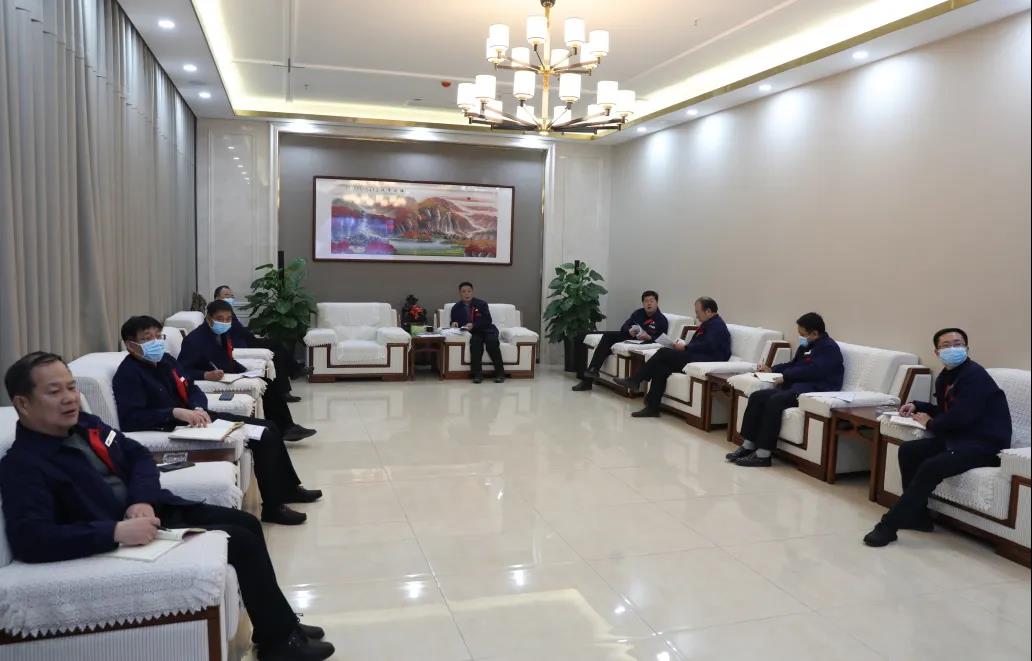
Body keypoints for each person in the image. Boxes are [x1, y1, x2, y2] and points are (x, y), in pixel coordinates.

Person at [0, 352, 334, 661]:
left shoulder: (86, 425)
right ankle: (279, 643)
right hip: (124, 537)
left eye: (71, 387)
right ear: (23, 404)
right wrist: (114, 531)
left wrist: (142, 498)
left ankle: (277, 625)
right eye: (54, 392)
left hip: (153, 508)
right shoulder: (23, 464)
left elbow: (137, 455)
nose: (69, 398)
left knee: (246, 523)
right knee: (241, 541)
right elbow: (32, 539)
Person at [113, 315, 320, 525]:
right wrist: (174, 413)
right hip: (176, 428)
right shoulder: (128, 374)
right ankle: (273, 508)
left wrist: (197, 406)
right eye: (147, 338)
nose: (156, 342)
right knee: (264, 436)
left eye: (158, 336)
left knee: (270, 427)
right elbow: (131, 419)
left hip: (200, 418)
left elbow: (192, 387)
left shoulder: (166, 361)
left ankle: (289, 489)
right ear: (131, 345)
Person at [863, 328, 1012, 547]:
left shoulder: (975, 376)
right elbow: (947, 410)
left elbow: (962, 416)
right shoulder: (946, 376)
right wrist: (918, 406)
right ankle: (918, 517)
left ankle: (888, 526)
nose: (952, 348)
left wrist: (930, 423)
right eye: (946, 345)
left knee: (932, 466)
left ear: (967, 348)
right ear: (936, 352)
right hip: (960, 438)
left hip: (985, 444)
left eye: (957, 344)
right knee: (909, 451)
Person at [178, 300, 316, 442]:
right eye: (220, 319)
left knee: (269, 382)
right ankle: (284, 428)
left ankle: (286, 427)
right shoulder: (194, 340)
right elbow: (182, 372)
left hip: (228, 375)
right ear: (209, 318)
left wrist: (246, 371)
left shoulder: (222, 333)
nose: (224, 322)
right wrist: (205, 375)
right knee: (268, 387)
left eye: (228, 319)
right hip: (211, 381)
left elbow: (228, 359)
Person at [726, 312, 844, 467]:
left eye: (803, 334)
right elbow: (793, 365)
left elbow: (814, 371)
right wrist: (772, 369)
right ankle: (748, 445)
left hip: (814, 391)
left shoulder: (829, 349)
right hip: (797, 387)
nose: (801, 338)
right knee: (757, 396)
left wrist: (786, 376)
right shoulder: (806, 346)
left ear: (815, 333)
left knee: (774, 401)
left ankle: (763, 454)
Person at [614, 297, 732, 417]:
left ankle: (635, 380)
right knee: (660, 367)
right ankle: (652, 407)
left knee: (663, 352)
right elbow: (700, 344)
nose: (696, 316)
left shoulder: (717, 325)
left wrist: (685, 347)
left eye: (698, 312)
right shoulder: (709, 323)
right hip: (696, 357)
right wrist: (683, 346)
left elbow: (707, 345)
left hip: (706, 361)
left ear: (708, 311)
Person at [213, 285, 305, 402]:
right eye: (226, 296)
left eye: (232, 296)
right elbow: (235, 330)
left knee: (276, 348)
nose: (230, 298)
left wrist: (253, 336)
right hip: (239, 347)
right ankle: (292, 376)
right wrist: (253, 336)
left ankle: (291, 380)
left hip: (244, 341)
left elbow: (238, 330)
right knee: (275, 350)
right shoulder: (217, 314)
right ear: (217, 298)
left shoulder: (226, 310)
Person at [572, 290, 669, 391]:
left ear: (657, 303)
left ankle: (588, 379)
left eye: (651, 301)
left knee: (605, 346)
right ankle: (593, 371)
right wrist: (629, 330)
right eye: (646, 301)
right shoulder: (638, 313)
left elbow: (662, 340)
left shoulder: (662, 320)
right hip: (631, 337)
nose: (649, 303)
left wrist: (650, 337)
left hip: (645, 343)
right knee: (607, 337)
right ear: (643, 303)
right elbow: (624, 326)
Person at [450, 281, 505, 384]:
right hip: (475, 332)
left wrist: (474, 325)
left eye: (469, 291)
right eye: (464, 291)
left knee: (492, 343)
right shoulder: (456, 307)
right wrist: (454, 323)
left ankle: (500, 374)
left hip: (488, 330)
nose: (466, 294)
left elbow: (487, 320)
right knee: (475, 345)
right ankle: (477, 375)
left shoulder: (481, 304)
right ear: (460, 293)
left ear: (472, 292)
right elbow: (453, 321)